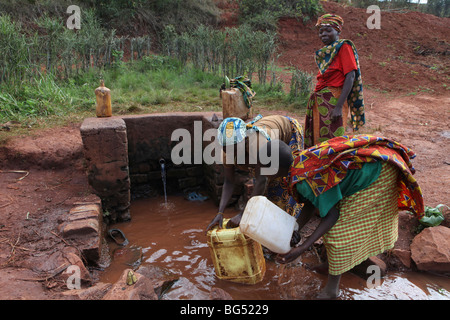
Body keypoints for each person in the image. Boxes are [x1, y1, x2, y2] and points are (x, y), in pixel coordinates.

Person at [259, 135, 424, 299]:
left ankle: (332, 290)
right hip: (374, 160)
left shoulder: (307, 180)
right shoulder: (298, 166)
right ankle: (331, 266)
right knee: (335, 224)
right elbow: (310, 202)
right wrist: (295, 229)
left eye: (263, 168)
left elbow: (332, 215)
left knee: (337, 234)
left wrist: (303, 247)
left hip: (379, 172)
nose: (261, 172)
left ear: (274, 167)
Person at [205, 114, 304, 232]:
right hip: (262, 148)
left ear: (244, 140)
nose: (230, 152)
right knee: (265, 191)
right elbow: (229, 181)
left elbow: (262, 180)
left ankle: (291, 229)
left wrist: (243, 214)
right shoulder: (228, 151)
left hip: (288, 133)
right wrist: (220, 212)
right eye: (226, 148)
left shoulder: (257, 142)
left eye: (234, 148)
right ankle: (269, 227)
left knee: (283, 184)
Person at [304, 13, 365, 148]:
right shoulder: (327, 52)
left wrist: (338, 106)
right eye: (321, 31)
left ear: (337, 31)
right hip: (320, 101)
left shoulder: (344, 47)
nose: (323, 34)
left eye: (328, 30)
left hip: (334, 100)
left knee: (332, 142)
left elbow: (350, 76)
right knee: (318, 139)